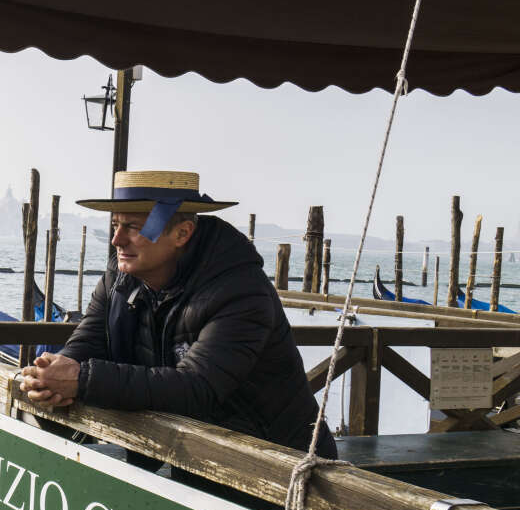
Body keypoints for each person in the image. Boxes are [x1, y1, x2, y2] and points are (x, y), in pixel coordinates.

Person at [19, 170, 336, 460]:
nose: (116, 240)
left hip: (280, 462)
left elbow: (198, 388)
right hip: (190, 453)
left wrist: (83, 380)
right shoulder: (118, 278)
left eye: (133, 227)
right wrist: (51, 374)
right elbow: (89, 339)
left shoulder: (240, 291)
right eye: (115, 225)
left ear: (182, 233)